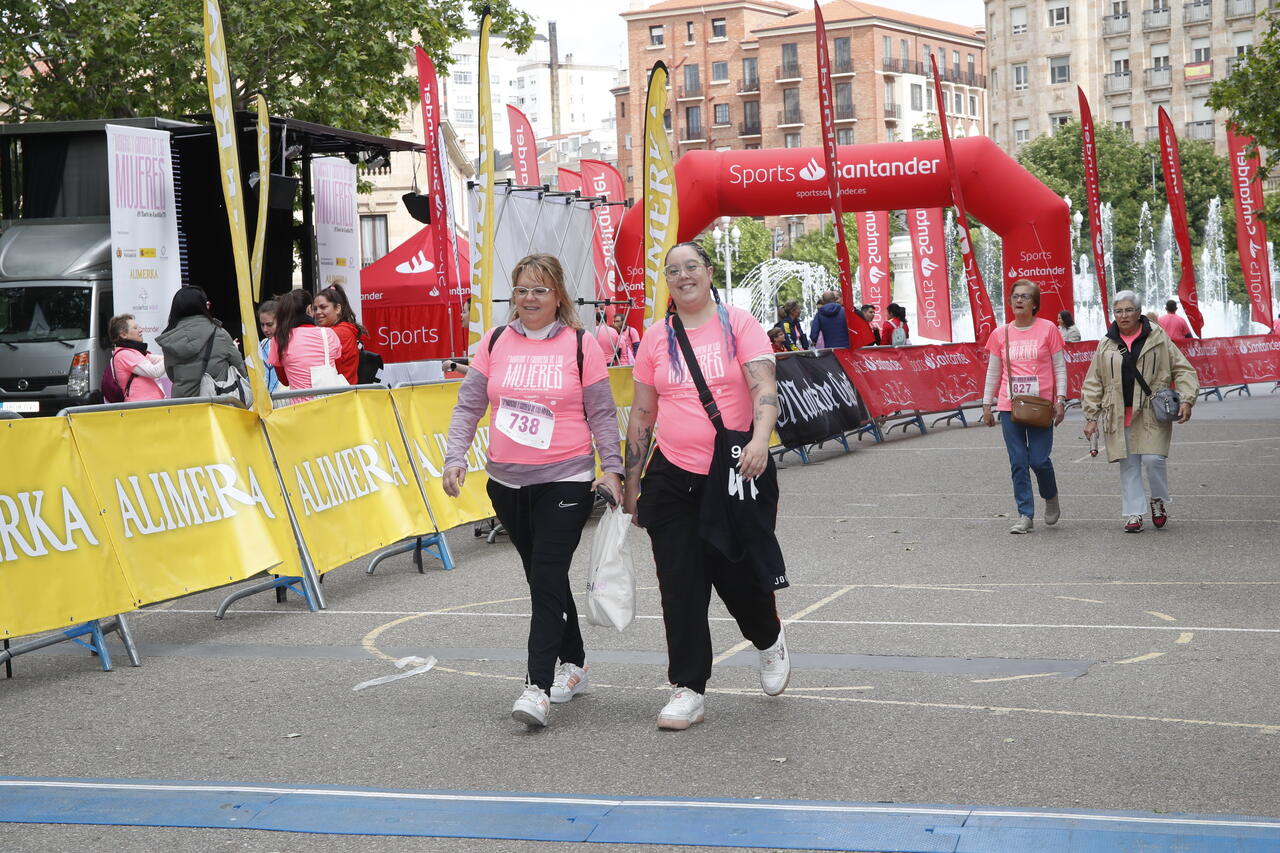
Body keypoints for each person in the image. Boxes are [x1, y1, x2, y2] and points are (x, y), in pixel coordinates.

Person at [442, 254, 623, 728]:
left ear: (558, 295)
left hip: (566, 477)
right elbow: (468, 407)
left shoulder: (582, 345)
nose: (529, 299)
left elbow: (602, 414)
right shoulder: (496, 341)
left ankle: (536, 687)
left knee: (545, 577)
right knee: (545, 578)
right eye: (521, 290)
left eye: (539, 290)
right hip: (506, 482)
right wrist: (455, 457)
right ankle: (576, 663)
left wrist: (613, 469)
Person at [623, 242, 789, 731]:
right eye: (673, 271)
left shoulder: (737, 324)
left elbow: (764, 388)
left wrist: (760, 440)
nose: (682, 276)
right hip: (672, 476)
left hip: (735, 469)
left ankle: (769, 638)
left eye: (691, 266)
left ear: (709, 271)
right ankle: (688, 688)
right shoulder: (656, 338)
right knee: (680, 584)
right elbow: (642, 413)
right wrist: (633, 481)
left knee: (737, 579)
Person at [1081, 291, 1198, 532]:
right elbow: (1094, 381)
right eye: (1118, 311)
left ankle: (1157, 499)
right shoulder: (1106, 342)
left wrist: (1186, 399)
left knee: (1154, 459)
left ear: (1138, 312)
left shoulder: (1157, 337)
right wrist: (1091, 416)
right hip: (1118, 412)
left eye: (1129, 310)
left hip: (1151, 412)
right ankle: (1134, 513)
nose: (1124, 316)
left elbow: (1183, 369)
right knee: (1129, 464)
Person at [980, 279, 1067, 534]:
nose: (1019, 300)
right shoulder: (1000, 333)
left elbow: (1059, 367)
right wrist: (987, 405)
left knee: (1039, 460)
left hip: (1041, 405)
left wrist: (1060, 399)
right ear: (1009, 301)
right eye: (1016, 296)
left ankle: (1050, 497)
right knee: (1018, 461)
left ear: (1035, 303)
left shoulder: (1048, 329)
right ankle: (1025, 514)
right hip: (1011, 406)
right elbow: (993, 372)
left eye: (1026, 297)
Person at [156, 285, 244, 399]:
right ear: (203, 306)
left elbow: (171, 374)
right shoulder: (219, 333)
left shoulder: (169, 338)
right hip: (216, 403)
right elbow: (239, 366)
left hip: (182, 404)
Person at [268, 289, 340, 396]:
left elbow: (284, 381)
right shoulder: (329, 334)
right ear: (309, 308)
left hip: (300, 408)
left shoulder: (279, 338)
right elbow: (336, 369)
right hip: (329, 405)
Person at [312, 284, 366, 385]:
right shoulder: (341, 329)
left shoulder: (338, 332)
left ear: (337, 309)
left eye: (323, 307)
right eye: (315, 309)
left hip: (340, 394)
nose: (318, 312)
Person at [107, 314, 166, 401]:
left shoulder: (133, 351)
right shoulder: (124, 354)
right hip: (142, 408)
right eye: (135, 328)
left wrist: (169, 356)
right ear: (123, 335)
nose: (140, 330)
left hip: (147, 406)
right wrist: (172, 355)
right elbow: (155, 371)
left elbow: (159, 359)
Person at [257, 299, 281, 394]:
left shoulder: (290, 343)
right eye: (262, 325)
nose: (265, 329)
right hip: (265, 402)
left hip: (285, 401)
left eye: (269, 324)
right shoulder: (262, 344)